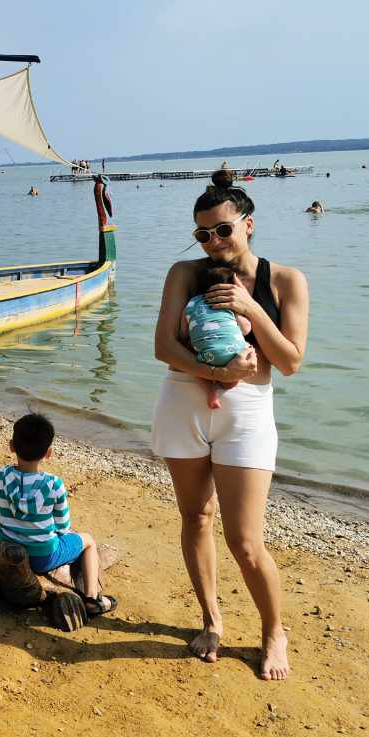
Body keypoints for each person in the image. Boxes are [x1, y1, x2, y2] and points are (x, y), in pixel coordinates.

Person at [152, 169, 309, 681]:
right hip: (183, 402)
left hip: (248, 413)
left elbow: (289, 362)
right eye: (203, 234)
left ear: (249, 224)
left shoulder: (285, 281)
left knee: (245, 540)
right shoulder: (184, 273)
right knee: (196, 518)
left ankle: (273, 632)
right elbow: (163, 349)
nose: (213, 242)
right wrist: (217, 372)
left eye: (222, 230)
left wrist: (250, 311)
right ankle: (212, 620)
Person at [0, 413, 116, 618]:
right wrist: (56, 533)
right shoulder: (53, 484)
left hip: (7, 540)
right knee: (89, 542)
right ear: (49, 453)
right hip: (43, 557)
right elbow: (63, 525)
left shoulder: (1, 475)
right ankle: (92, 598)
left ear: (12, 446)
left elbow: (0, 506)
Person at [181, 265, 252, 409]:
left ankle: (210, 391)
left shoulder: (192, 303)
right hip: (232, 354)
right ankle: (227, 383)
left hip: (206, 355)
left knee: (195, 369)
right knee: (248, 350)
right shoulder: (230, 303)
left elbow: (183, 332)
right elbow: (246, 329)